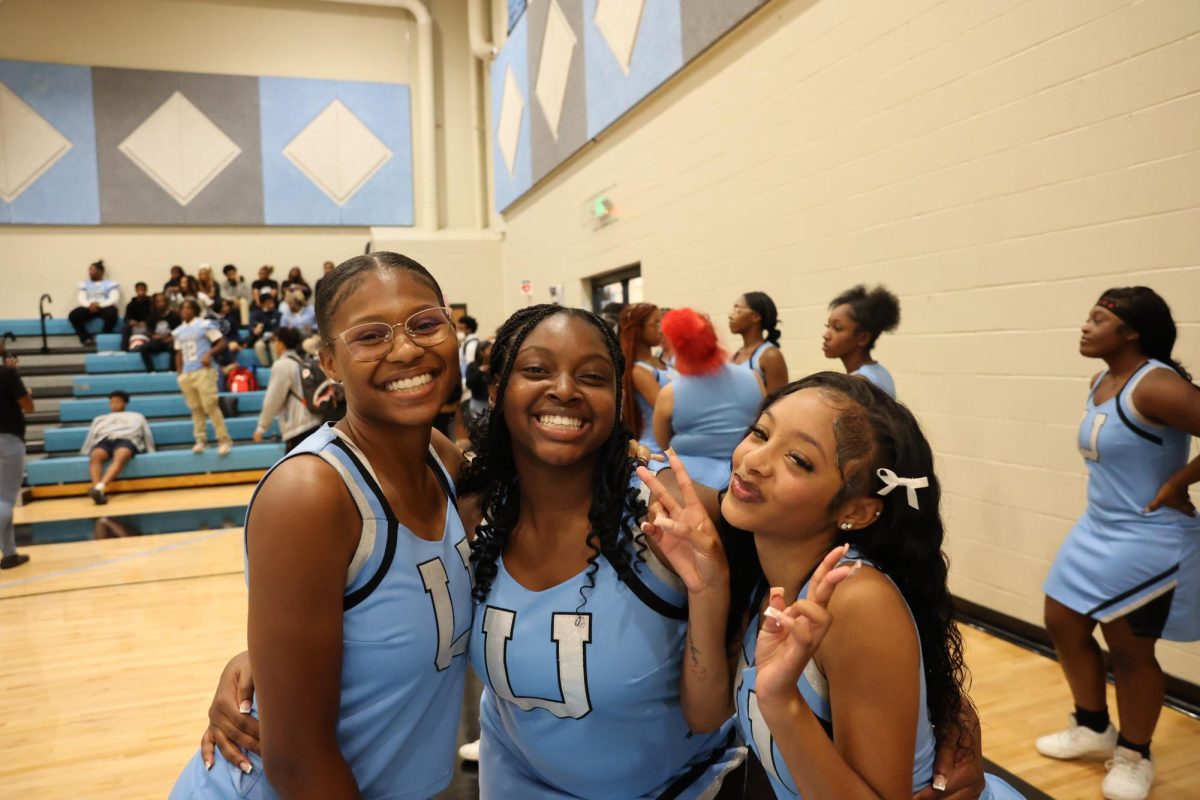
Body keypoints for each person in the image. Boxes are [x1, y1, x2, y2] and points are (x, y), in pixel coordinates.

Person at [171, 252, 472, 799]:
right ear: (329, 361)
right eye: (371, 336)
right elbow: (297, 762)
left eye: (426, 323)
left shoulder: (441, 458)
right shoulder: (309, 494)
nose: (406, 349)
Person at [639, 373, 1021, 799]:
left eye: (798, 460)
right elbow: (705, 715)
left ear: (856, 511)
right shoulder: (764, 562)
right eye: (761, 432)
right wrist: (709, 591)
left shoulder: (856, 599)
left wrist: (784, 705)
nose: (754, 461)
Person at [1038, 287, 1200, 800]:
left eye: (1097, 319)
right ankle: (1092, 725)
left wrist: (1180, 483)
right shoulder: (1101, 381)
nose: (1085, 327)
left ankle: (1134, 755)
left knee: (1130, 650)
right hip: (1098, 528)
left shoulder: (1156, 385)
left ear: (1130, 332)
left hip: (1147, 537)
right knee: (1062, 620)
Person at [653, 308, 763, 489]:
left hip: (690, 483)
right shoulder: (754, 377)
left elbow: (663, 444)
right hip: (745, 473)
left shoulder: (670, 393)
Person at [174, 299, 233, 455]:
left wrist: (209, 353)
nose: (184, 311)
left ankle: (223, 438)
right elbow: (178, 353)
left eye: (188, 308)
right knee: (195, 408)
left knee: (210, 405)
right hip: (187, 372)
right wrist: (180, 373)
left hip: (203, 370)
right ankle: (200, 439)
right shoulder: (178, 331)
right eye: (182, 308)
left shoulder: (204, 325)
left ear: (194, 310)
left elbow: (222, 343)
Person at [824, 285, 901, 398]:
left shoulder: (860, 383)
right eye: (827, 326)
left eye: (837, 328)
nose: (826, 335)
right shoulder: (881, 372)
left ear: (863, 338)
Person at [253, 327, 322, 452]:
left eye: (276, 341)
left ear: (281, 343)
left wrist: (262, 427)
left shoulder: (282, 365)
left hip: (299, 428)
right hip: (314, 423)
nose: (274, 345)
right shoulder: (300, 361)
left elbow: (273, 399)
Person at [80, 390, 155, 504]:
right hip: (105, 440)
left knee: (120, 455)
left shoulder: (136, 416)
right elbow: (91, 435)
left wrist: (150, 450)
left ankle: (100, 487)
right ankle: (98, 490)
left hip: (126, 440)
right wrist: (86, 450)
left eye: (117, 402)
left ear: (125, 403)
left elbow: (146, 433)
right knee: (95, 456)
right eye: (112, 402)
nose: (114, 404)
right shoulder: (99, 419)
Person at [618, 303, 670, 456]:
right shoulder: (638, 370)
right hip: (657, 448)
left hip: (672, 442)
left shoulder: (660, 361)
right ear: (639, 329)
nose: (662, 328)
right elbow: (667, 410)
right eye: (656, 323)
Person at [0, 353, 33, 570]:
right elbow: (28, 406)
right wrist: (25, 392)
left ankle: (9, 553)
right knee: (6, 499)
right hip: (7, 438)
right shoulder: (7, 373)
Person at [729, 291, 788, 393]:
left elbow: (777, 404)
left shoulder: (771, 356)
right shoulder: (735, 356)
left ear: (755, 317)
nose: (730, 315)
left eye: (738, 309)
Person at [69, 260, 120, 345]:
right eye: (89, 270)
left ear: (100, 272)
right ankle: (85, 338)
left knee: (112, 312)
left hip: (104, 306)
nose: (90, 272)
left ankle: (104, 336)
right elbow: (81, 298)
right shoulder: (84, 284)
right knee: (74, 315)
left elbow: (114, 298)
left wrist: (99, 305)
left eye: (92, 270)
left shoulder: (110, 284)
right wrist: (90, 305)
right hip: (89, 307)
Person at [138, 293, 180, 373]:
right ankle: (151, 371)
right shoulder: (151, 316)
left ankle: (171, 370)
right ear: (155, 304)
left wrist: (171, 338)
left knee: (176, 347)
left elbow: (180, 330)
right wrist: (152, 336)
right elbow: (149, 331)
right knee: (144, 348)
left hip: (170, 342)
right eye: (158, 301)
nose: (161, 303)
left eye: (163, 301)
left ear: (166, 302)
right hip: (157, 342)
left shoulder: (174, 316)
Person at [463, 339, 492, 426]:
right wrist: (480, 371)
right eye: (489, 349)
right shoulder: (473, 366)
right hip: (478, 402)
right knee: (478, 427)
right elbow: (469, 384)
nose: (492, 351)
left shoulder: (494, 365)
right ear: (481, 352)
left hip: (492, 403)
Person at [248, 295, 282, 367]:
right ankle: (266, 366)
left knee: (274, 345)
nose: (272, 304)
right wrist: (255, 330)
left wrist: (274, 334)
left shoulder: (278, 314)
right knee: (259, 345)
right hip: (261, 338)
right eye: (269, 303)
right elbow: (252, 328)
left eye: (272, 302)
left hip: (274, 338)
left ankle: (277, 366)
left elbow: (280, 328)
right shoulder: (256, 314)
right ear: (262, 304)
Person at [120, 282, 153, 350]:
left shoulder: (151, 302)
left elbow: (154, 315)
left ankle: (150, 348)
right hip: (134, 325)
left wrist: (146, 322)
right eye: (139, 289)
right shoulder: (131, 304)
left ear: (146, 290)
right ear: (136, 290)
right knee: (125, 328)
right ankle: (125, 349)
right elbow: (126, 318)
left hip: (148, 324)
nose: (141, 291)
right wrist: (131, 321)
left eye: (143, 289)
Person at [457, 314, 480, 383]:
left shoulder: (471, 345)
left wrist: (465, 383)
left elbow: (471, 366)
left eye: (461, 329)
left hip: (468, 383)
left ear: (469, 330)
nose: (458, 331)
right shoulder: (465, 343)